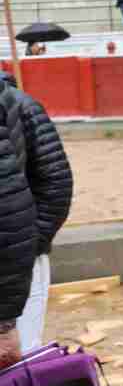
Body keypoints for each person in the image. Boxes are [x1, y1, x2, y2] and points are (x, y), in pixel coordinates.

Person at [0, 72, 61, 369]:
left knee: (16, 368)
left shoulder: (23, 106)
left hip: (17, 260)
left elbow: (56, 184)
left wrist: (31, 245)